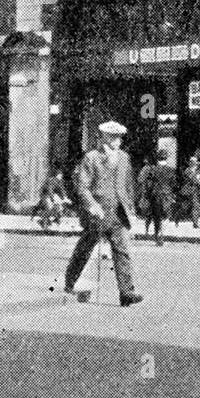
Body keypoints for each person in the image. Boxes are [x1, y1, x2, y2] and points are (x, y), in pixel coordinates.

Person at [64, 121, 143, 306]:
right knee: (85, 249)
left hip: (118, 213)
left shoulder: (124, 158)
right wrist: (91, 205)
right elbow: (82, 187)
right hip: (98, 213)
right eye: (113, 137)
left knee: (122, 251)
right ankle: (69, 281)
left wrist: (131, 210)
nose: (117, 141)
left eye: (119, 137)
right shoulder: (91, 157)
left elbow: (128, 186)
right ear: (104, 137)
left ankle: (127, 293)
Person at [136, 150, 177, 245]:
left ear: (158, 158)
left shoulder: (153, 169)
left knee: (156, 216)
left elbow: (147, 183)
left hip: (156, 195)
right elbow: (174, 184)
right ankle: (162, 233)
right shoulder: (171, 170)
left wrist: (147, 194)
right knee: (166, 216)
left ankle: (157, 235)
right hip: (167, 195)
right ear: (166, 158)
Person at [180, 155, 200, 226]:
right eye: (195, 163)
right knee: (196, 207)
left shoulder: (195, 171)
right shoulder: (188, 171)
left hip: (195, 191)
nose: (196, 164)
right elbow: (194, 180)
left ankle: (195, 221)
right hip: (190, 191)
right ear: (192, 163)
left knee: (195, 207)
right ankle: (195, 222)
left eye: (196, 163)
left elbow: (197, 180)